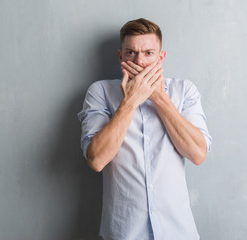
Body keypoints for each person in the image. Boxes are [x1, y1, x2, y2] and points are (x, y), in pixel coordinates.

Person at [77, 18, 212, 240]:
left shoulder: (184, 91)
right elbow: (97, 160)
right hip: (123, 234)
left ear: (161, 57)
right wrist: (130, 101)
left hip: (178, 233)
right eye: (131, 53)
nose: (140, 62)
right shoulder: (100, 92)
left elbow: (197, 154)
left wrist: (158, 97)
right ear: (121, 56)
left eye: (149, 53)